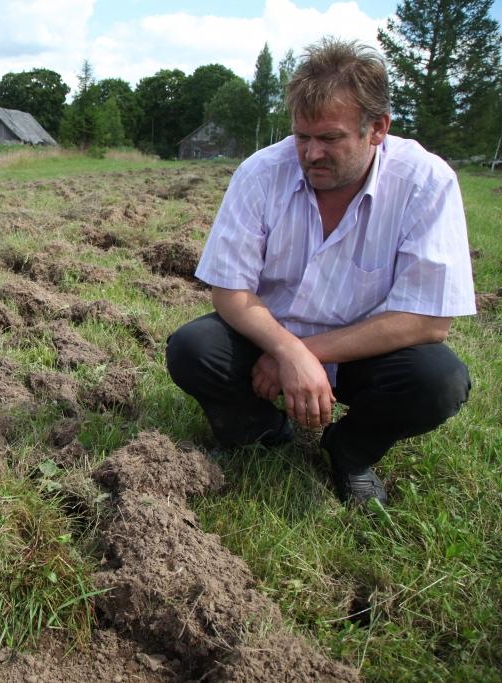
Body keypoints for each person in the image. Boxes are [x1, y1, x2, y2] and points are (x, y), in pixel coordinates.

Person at [165, 38, 474, 505]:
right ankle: (262, 432)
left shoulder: (425, 183)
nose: (311, 154)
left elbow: (428, 320)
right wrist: (284, 348)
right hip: (268, 336)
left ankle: (350, 451)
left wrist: (302, 354)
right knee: (194, 349)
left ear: (378, 129)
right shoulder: (260, 173)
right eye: (301, 137)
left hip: (364, 353)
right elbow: (230, 291)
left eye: (330, 138)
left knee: (438, 381)